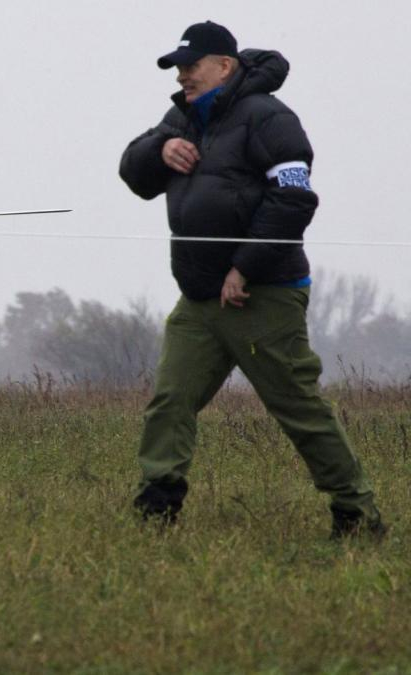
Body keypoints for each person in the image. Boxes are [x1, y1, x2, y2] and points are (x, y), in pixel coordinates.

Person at [118, 21, 385, 538]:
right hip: (199, 298)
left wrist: (245, 267)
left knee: (297, 409)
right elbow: (134, 174)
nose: (182, 76)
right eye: (178, 68)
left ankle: (357, 514)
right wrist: (159, 152)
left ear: (224, 65)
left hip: (262, 295)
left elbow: (295, 198)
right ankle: (157, 508)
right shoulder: (180, 117)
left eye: (191, 66)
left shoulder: (269, 117)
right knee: (170, 401)